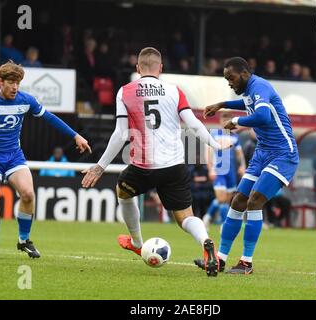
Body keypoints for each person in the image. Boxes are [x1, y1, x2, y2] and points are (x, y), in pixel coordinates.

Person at [81, 47, 230, 277]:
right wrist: (214, 144)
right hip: (174, 167)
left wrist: (100, 166)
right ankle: (206, 241)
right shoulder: (174, 91)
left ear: (137, 68)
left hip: (143, 167)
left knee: (123, 191)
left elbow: (120, 134)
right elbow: (194, 123)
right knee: (185, 217)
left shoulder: (125, 91)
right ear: (160, 68)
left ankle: (137, 242)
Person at [0, 61, 91, 259]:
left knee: (28, 194)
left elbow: (50, 118)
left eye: (18, 83)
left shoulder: (26, 100)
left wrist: (76, 135)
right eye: (11, 82)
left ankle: (24, 241)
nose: (15, 87)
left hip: (14, 156)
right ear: (1, 82)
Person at [194, 57, 299, 274]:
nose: (229, 83)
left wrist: (236, 121)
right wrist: (222, 104)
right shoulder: (252, 92)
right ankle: (220, 259)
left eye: (231, 78)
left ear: (244, 74)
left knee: (254, 201)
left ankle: (246, 262)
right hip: (263, 153)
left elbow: (262, 116)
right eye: (226, 80)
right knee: (238, 200)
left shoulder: (259, 85)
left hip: (282, 154)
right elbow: (248, 104)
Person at [203, 111, 246, 228]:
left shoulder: (235, 137)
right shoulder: (214, 134)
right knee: (221, 199)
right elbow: (208, 152)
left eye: (228, 121)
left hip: (231, 172)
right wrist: (210, 168)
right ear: (220, 122)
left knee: (226, 200)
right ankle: (224, 225)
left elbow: (239, 154)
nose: (225, 123)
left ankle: (207, 217)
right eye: (223, 121)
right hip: (218, 170)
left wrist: (242, 166)